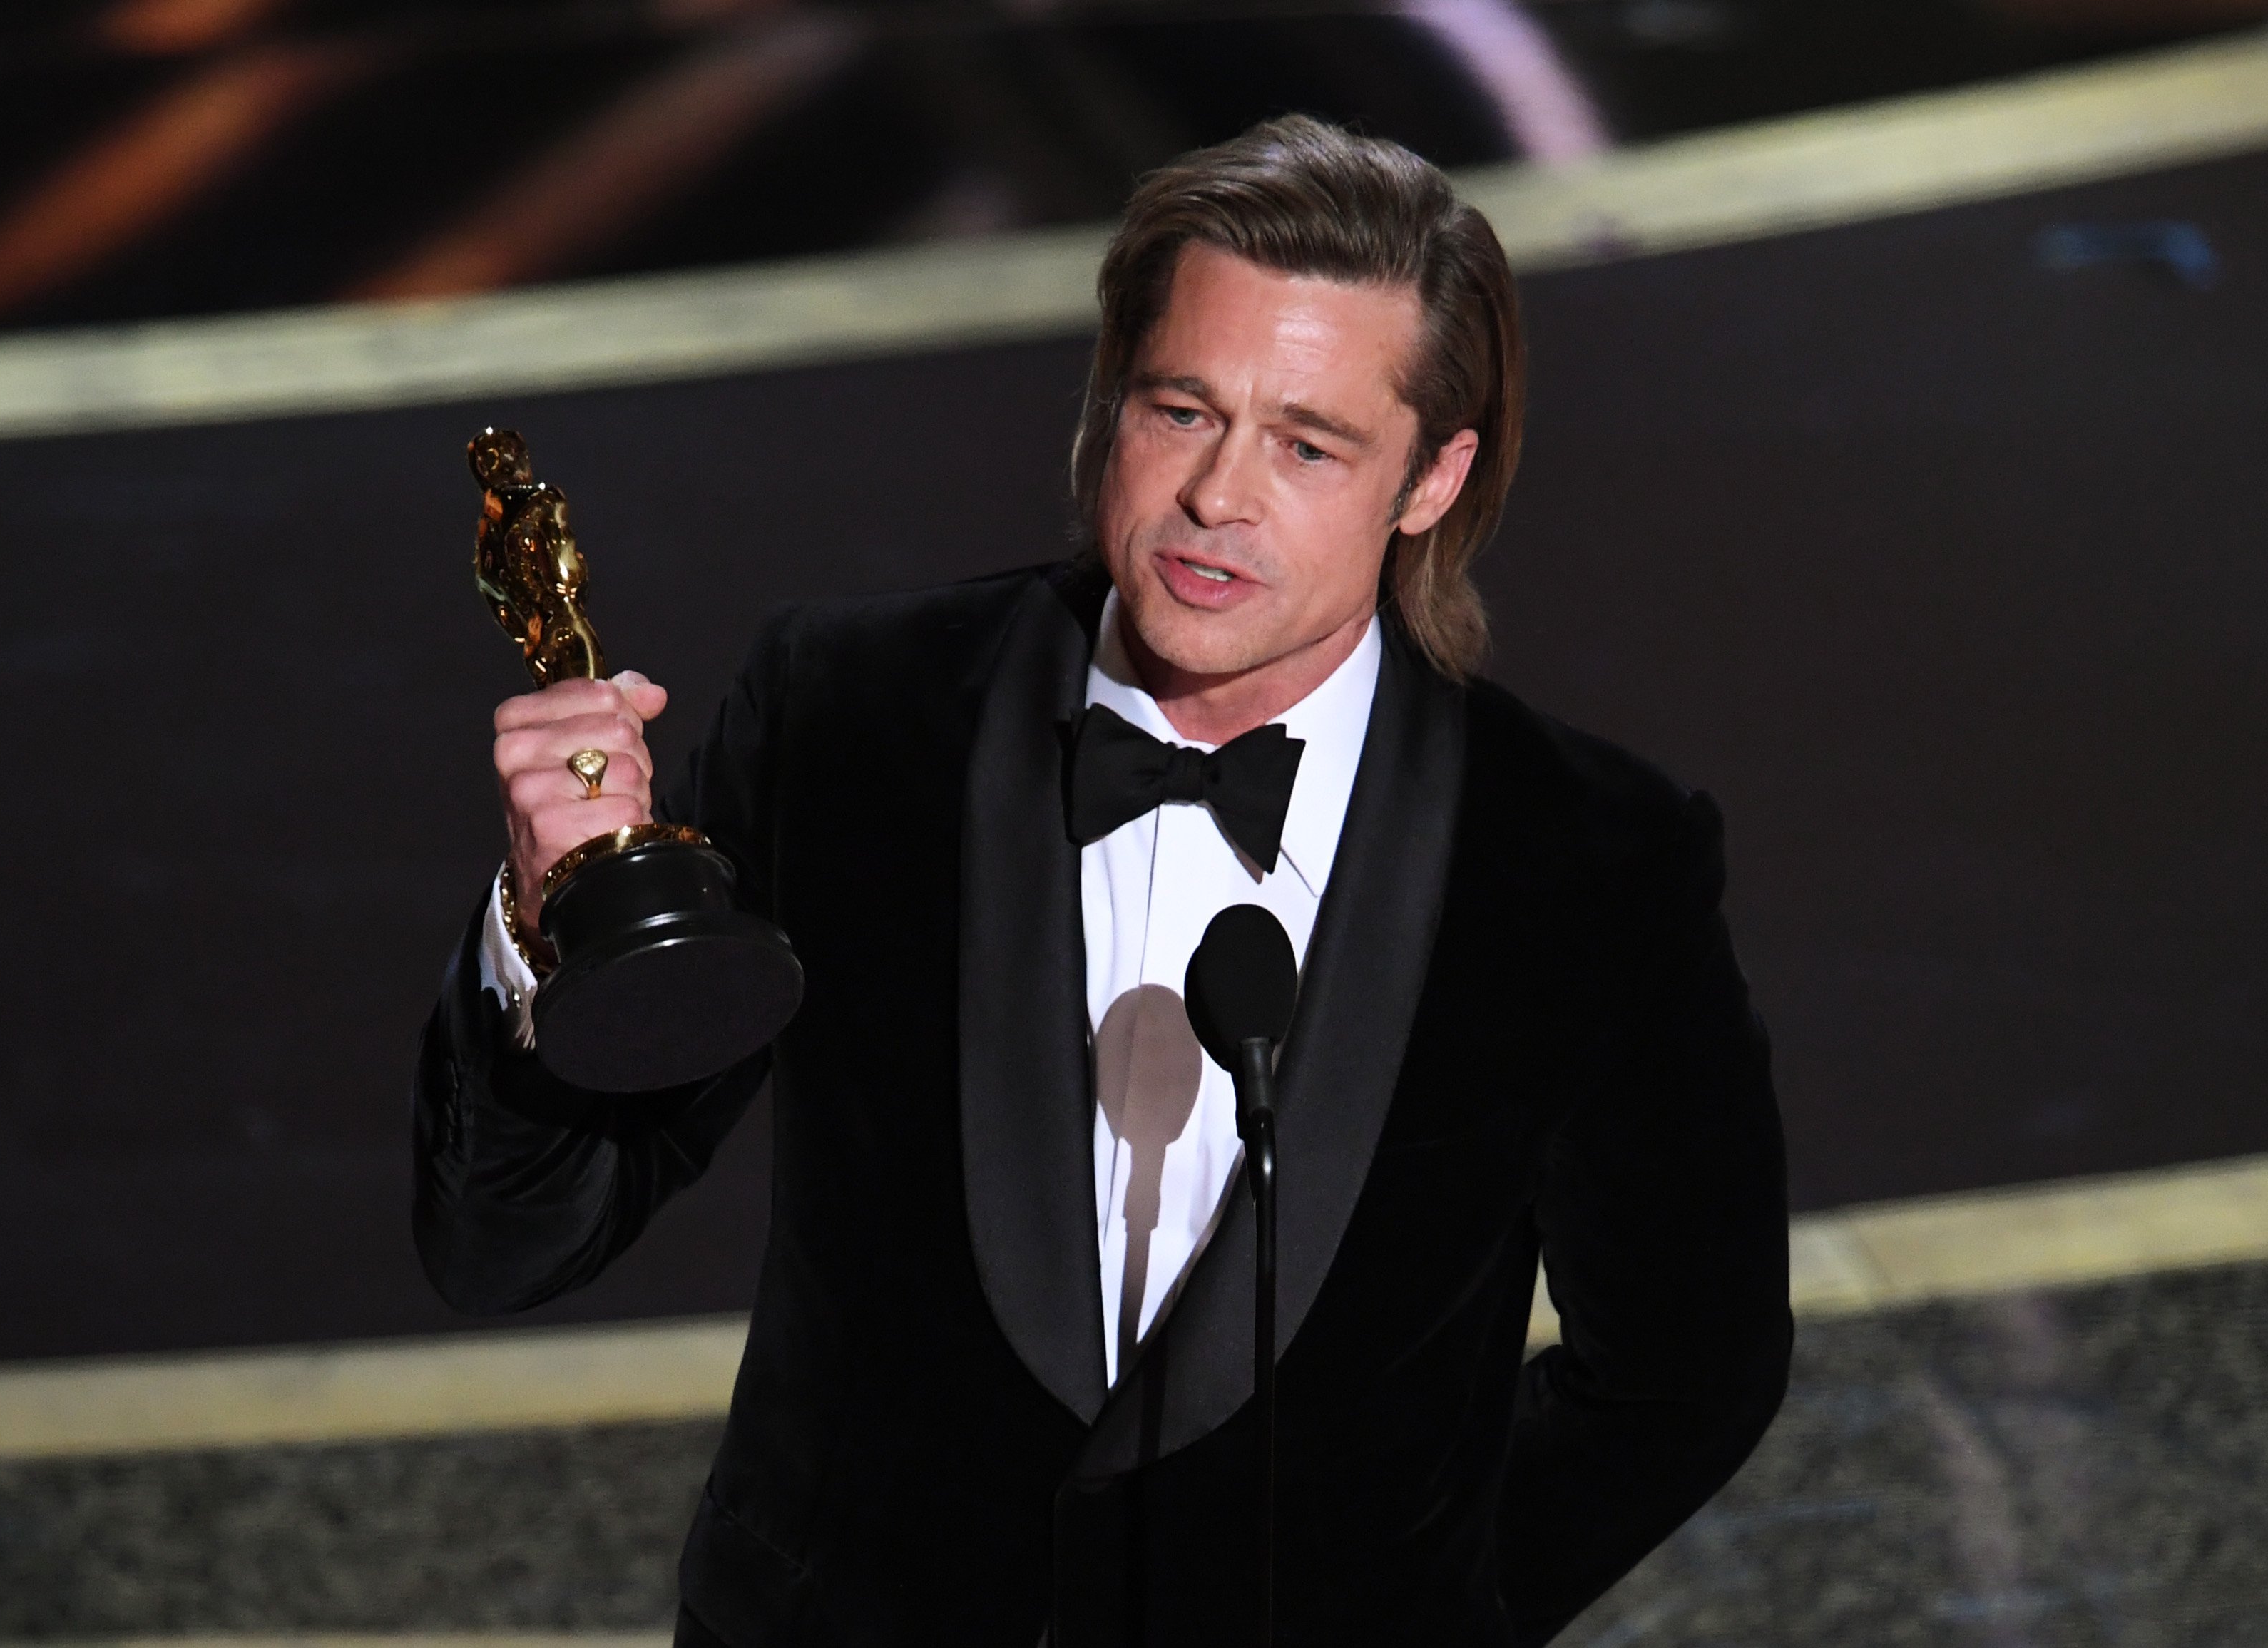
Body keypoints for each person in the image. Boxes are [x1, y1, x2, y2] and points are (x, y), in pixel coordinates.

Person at [414, 114, 1791, 1646]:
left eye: (1307, 442)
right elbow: (512, 1239)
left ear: (1430, 476)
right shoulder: (853, 716)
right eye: (1181, 410)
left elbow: (1685, 1369)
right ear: (1108, 402)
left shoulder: (1585, 854)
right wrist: (552, 931)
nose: (1218, 497)